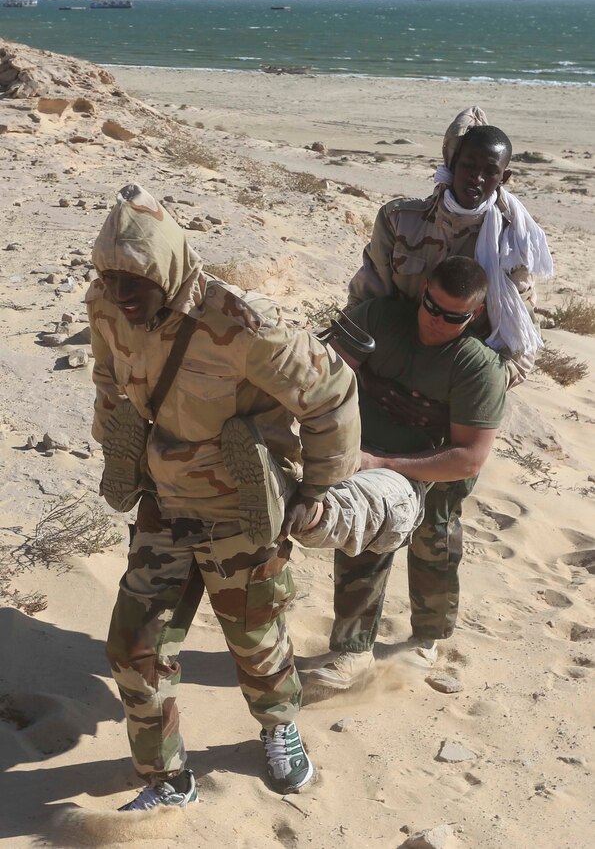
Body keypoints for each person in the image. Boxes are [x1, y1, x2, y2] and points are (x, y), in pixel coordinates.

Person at [87, 183, 363, 809]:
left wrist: (318, 487)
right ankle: (167, 777)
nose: (121, 296)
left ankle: (279, 727)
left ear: (168, 270)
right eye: (110, 279)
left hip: (241, 510)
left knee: (256, 642)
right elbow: (108, 377)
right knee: (134, 649)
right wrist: (118, 447)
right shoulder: (106, 307)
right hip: (164, 502)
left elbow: (333, 392)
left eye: (134, 283)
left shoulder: (238, 324)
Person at [334, 107, 553, 667]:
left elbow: (518, 341)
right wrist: (371, 379)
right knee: (365, 521)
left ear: (503, 177)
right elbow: (366, 306)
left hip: (454, 398)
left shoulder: (513, 242)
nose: (476, 178)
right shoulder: (401, 222)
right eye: (467, 164)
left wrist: (462, 398)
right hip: (385, 381)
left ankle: (427, 636)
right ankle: (352, 647)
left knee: (437, 532)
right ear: (449, 162)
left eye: (490, 170)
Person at [305, 256, 508, 688]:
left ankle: (427, 638)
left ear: (472, 315)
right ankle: (352, 650)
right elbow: (322, 372)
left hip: (434, 466)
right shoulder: (379, 317)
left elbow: (470, 456)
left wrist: (386, 463)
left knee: (433, 545)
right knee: (365, 537)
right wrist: (370, 388)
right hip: (365, 452)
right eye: (431, 307)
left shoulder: (477, 366)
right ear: (423, 293)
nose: (436, 320)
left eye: (452, 316)